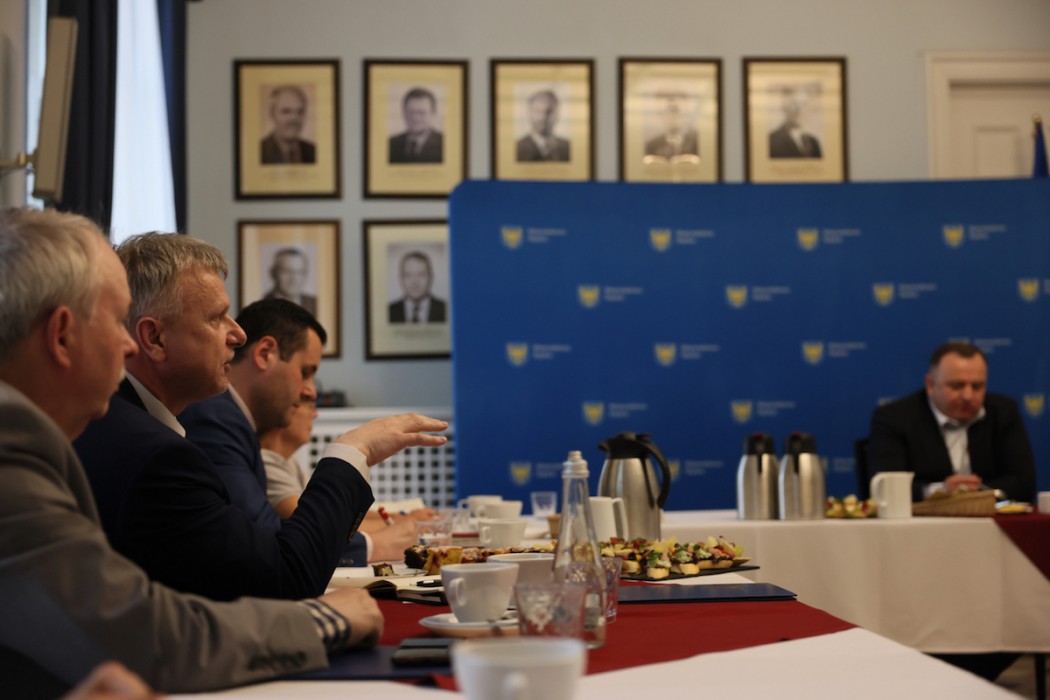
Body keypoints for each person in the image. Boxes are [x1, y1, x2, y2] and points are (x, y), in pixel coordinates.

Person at [0, 207, 382, 696]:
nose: (127, 346)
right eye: (116, 322)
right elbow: (147, 634)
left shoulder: (64, 433)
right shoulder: (15, 444)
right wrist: (325, 620)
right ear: (61, 335)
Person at [74, 232, 448, 602]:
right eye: (217, 317)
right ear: (155, 339)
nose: (238, 334)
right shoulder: (158, 452)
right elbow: (282, 574)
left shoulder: (128, 425)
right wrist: (351, 451)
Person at [180, 298, 421, 564]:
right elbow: (268, 542)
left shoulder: (230, 419)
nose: (311, 392)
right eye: (305, 372)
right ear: (264, 354)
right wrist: (349, 452)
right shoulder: (215, 418)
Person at [868, 341, 1037, 504]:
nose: (968, 396)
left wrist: (975, 493)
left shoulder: (1003, 412)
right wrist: (940, 491)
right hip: (924, 521)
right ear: (930, 385)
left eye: (977, 386)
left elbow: (1024, 483)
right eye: (957, 386)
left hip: (990, 517)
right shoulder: (895, 418)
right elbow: (886, 488)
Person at [260, 401, 438, 527]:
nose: (315, 414)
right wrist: (406, 523)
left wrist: (402, 518)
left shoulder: (289, 464)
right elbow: (318, 523)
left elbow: (339, 515)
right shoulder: (266, 463)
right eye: (309, 404)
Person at [260, 85, 316, 164]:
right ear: (272, 114)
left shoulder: (314, 152)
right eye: (286, 111)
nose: (294, 118)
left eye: (300, 112)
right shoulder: (260, 152)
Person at [388, 250, 447, 324]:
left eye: (421, 275)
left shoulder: (446, 309)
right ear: (401, 279)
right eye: (408, 275)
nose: (415, 282)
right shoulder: (389, 311)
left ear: (431, 277)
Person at [388, 87, 444, 163]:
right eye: (410, 112)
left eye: (421, 113)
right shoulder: (391, 144)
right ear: (404, 113)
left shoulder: (444, 144)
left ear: (433, 114)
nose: (415, 118)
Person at [768, 86, 822, 159]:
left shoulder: (813, 141)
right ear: (784, 108)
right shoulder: (772, 140)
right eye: (794, 104)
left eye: (803, 105)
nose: (799, 109)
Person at [516, 89, 570, 162]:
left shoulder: (568, 148)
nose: (543, 117)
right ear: (529, 114)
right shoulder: (517, 149)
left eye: (549, 111)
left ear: (557, 114)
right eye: (537, 111)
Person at [643, 92, 700, 161]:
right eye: (669, 111)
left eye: (676, 111)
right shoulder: (652, 146)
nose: (673, 117)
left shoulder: (699, 142)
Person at [263, 247, 317, 316]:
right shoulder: (262, 304)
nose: (294, 279)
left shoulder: (315, 304)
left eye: (299, 272)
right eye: (287, 271)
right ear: (273, 273)